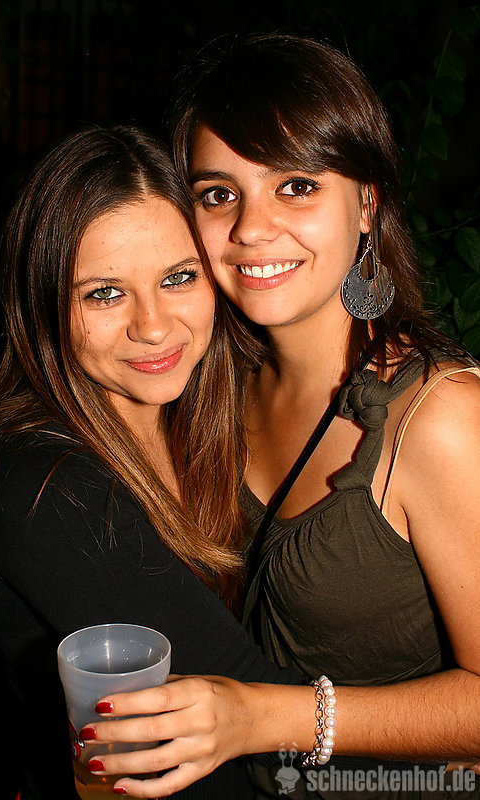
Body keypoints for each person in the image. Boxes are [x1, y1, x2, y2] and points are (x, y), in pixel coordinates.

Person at [75, 35, 480, 800]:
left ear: (368, 202)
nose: (251, 229)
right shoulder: (213, 383)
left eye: (295, 186)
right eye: (217, 194)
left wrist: (265, 719)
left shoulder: (441, 419)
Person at [0, 123, 305, 800]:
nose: (153, 325)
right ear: (43, 305)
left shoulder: (213, 422)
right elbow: (247, 699)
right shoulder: (42, 483)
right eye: (103, 293)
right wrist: (442, 759)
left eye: (178, 278)